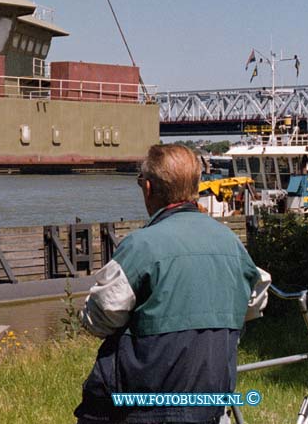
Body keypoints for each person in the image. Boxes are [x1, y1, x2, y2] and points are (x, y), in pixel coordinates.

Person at [74, 144, 270, 424]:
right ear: (195, 186)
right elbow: (254, 303)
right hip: (209, 405)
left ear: (149, 188)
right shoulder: (231, 243)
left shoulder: (140, 247)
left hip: (139, 408)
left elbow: (99, 320)